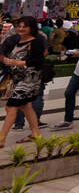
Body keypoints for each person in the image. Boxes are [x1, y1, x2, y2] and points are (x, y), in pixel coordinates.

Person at [0, 17, 47, 147]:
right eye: (19, 26)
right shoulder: (16, 40)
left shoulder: (36, 42)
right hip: (18, 79)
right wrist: (6, 60)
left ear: (31, 28)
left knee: (10, 107)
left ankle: (1, 139)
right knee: (25, 106)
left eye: (24, 26)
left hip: (29, 80)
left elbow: (38, 61)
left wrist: (17, 62)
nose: (20, 29)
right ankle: (35, 133)